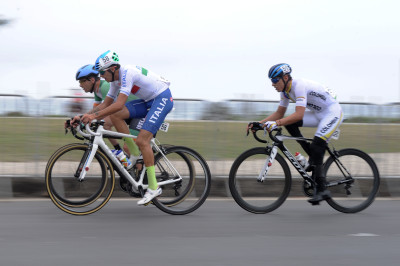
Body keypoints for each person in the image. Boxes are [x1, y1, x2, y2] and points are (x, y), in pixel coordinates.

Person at [73, 50, 174, 205]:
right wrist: (82, 117)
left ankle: (153, 188)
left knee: (143, 141)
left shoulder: (127, 73)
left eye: (102, 73)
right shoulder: (114, 81)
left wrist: (93, 117)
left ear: (112, 69)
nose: (101, 76)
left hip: (162, 98)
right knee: (116, 115)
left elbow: (118, 104)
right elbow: (106, 105)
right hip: (148, 101)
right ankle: (134, 152)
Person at [253, 63, 344, 205]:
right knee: (290, 124)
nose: (272, 84)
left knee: (316, 145)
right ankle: (312, 157)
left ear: (285, 77)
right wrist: (259, 124)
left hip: (332, 112)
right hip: (318, 113)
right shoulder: (285, 92)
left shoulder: (298, 85)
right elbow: (279, 113)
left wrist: (276, 123)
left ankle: (322, 189)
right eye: (271, 81)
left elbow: (299, 114)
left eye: (275, 80)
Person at [74, 64, 142, 159]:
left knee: (128, 147)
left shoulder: (105, 87)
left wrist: (88, 118)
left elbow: (106, 109)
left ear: (92, 80)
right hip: (126, 114)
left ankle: (138, 169)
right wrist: (81, 118)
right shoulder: (97, 91)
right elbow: (95, 111)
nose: (80, 85)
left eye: (81, 81)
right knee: (104, 124)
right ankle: (119, 151)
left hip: (138, 114)